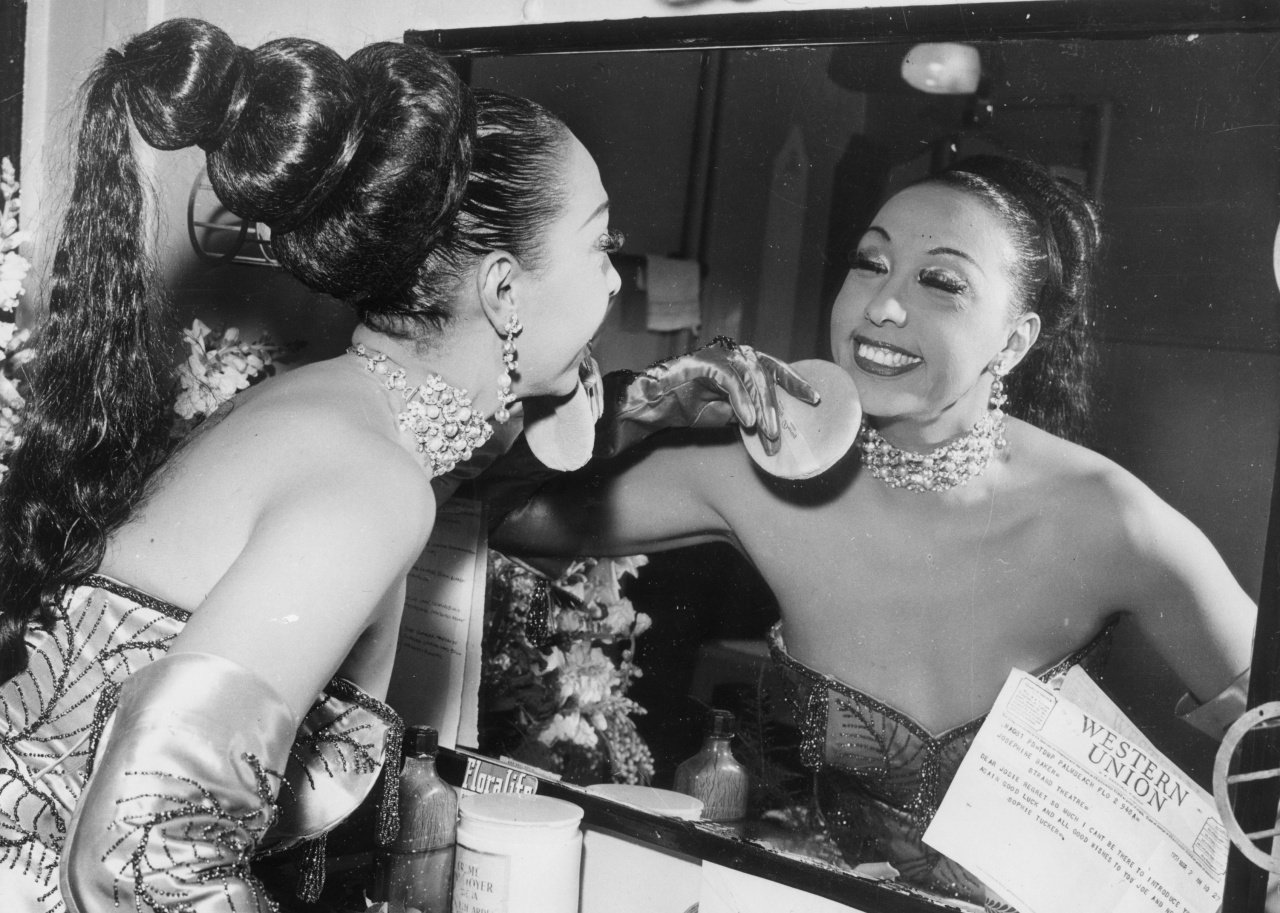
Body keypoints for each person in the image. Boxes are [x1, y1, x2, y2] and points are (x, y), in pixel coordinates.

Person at [0, 19, 815, 913]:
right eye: (600, 243)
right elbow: (139, 859)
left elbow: (480, 456)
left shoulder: (331, 410)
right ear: (505, 292)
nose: (617, 282)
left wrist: (644, 407)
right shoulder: (371, 484)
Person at [491, 155, 1257, 904]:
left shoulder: (1107, 516)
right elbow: (502, 515)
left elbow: (1268, 727)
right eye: (870, 264)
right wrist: (640, 405)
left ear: (1015, 342)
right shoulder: (757, 472)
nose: (884, 306)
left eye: (941, 282)